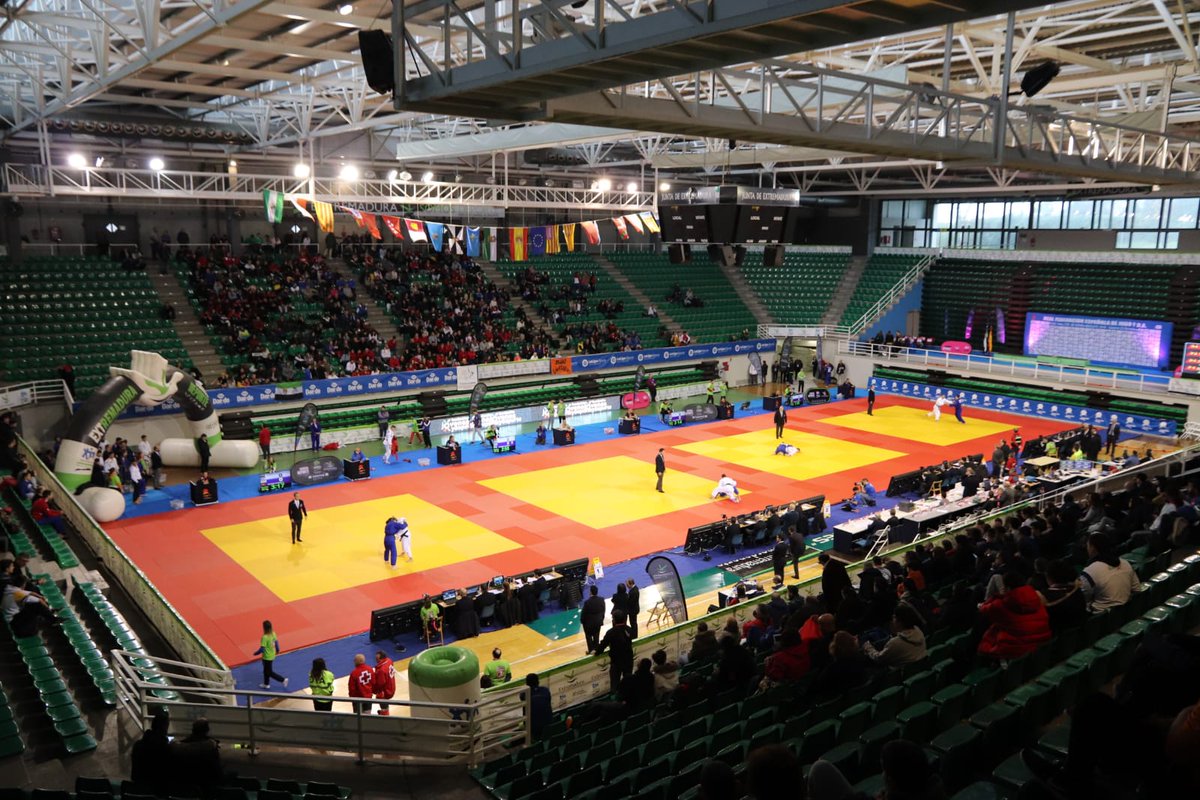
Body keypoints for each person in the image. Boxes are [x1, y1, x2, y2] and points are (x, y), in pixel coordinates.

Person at [977, 572, 1052, 661]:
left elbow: (983, 609)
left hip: (1016, 651)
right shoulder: (1036, 597)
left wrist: (998, 596)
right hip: (1041, 645)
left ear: (1007, 588)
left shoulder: (1001, 605)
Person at [1081, 532, 1141, 610]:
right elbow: (1137, 590)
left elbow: (1083, 598)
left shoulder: (1090, 571)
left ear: (1093, 548)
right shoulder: (1125, 563)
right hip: (1128, 612)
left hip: (1101, 616)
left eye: (1088, 545)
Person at [173, 718, 223, 793]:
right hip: (206, 787)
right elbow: (216, 771)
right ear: (207, 730)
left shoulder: (180, 746)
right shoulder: (209, 746)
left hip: (185, 786)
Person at [131, 711, 172, 793]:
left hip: (138, 786)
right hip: (156, 787)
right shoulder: (165, 749)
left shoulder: (138, 745)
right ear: (165, 727)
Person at [595, 611, 634, 694]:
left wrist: (596, 652)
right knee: (629, 682)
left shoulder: (611, 632)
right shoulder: (629, 629)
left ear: (614, 620)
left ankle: (615, 700)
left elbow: (603, 645)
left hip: (616, 662)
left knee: (614, 684)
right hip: (628, 660)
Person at [254, 620, 288, 690]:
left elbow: (262, 649)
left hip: (266, 657)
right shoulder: (273, 633)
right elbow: (276, 643)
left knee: (269, 672)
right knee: (266, 670)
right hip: (272, 655)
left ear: (264, 628)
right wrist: (278, 650)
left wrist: (255, 653)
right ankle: (266, 684)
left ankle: (283, 680)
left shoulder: (265, 637)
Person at [524, 673, 553, 739]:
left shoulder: (525, 694)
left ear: (527, 684)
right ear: (538, 682)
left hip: (534, 726)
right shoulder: (545, 690)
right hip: (549, 722)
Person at [581, 584, 605, 654]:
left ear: (590, 592)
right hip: (598, 622)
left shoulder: (587, 602)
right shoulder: (601, 600)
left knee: (589, 637)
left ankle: (591, 650)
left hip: (589, 624)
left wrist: (582, 621)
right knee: (596, 636)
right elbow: (603, 610)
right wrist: (601, 619)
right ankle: (596, 649)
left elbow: (584, 614)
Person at [373, 650, 396, 715]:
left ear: (381, 659)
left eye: (377, 659)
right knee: (385, 704)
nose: (376, 660)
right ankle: (385, 711)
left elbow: (380, 683)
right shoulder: (389, 661)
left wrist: (374, 690)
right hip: (391, 685)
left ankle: (385, 715)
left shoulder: (381, 670)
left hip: (385, 691)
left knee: (384, 705)